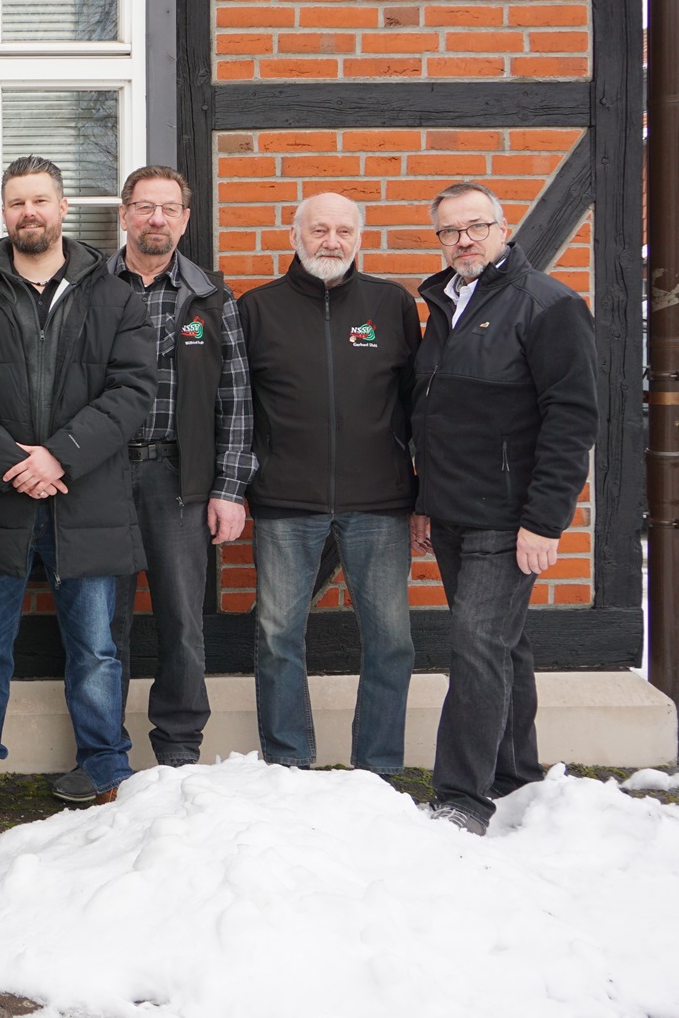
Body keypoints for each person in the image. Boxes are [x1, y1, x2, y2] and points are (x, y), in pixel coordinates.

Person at [0, 156, 155, 830]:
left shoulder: (116, 297)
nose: (28, 212)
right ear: (3, 212)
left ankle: (107, 771)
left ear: (63, 208)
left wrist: (59, 455)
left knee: (96, 649)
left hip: (84, 497)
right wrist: (15, 463)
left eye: (40, 200)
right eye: (16, 202)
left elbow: (133, 392)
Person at [410, 182, 597, 835]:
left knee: (476, 646)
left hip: (509, 515)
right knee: (502, 645)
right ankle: (515, 772)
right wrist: (425, 501)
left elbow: (571, 419)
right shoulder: (446, 302)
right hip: (452, 512)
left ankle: (462, 796)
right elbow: (433, 412)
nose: (463, 239)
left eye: (476, 226)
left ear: (503, 228)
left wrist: (545, 519)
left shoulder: (548, 304)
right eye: (449, 230)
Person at [240, 193, 420, 777]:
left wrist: (424, 494)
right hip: (285, 500)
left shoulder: (391, 305)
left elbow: (417, 403)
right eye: (319, 230)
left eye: (344, 231)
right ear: (294, 236)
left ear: (359, 238)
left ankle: (378, 767)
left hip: (381, 502)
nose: (332, 241)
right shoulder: (257, 309)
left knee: (391, 640)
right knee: (277, 637)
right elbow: (237, 407)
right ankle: (288, 762)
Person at [107, 166, 253, 770]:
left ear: (186, 219)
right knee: (101, 623)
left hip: (179, 477)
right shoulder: (92, 287)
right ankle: (102, 751)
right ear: (124, 214)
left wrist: (230, 487)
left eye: (169, 208)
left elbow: (236, 398)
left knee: (182, 620)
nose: (157, 219)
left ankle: (178, 750)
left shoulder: (212, 297)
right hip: (101, 475)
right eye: (145, 207)